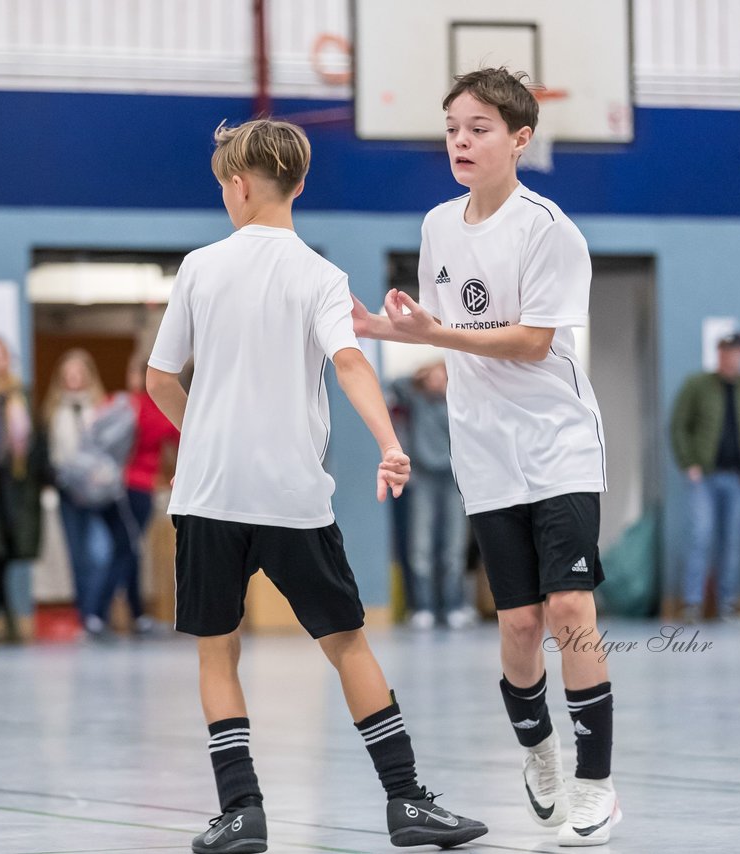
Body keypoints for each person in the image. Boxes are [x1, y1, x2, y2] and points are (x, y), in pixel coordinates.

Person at [146, 117, 486, 853]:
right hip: (293, 498)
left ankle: (242, 812)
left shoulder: (199, 267)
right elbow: (352, 364)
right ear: (298, 184)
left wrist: (202, 433)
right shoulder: (321, 276)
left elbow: (158, 378)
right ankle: (406, 802)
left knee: (217, 651)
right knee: (348, 646)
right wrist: (390, 443)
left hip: (208, 496)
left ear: (236, 187)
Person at [352, 68, 621, 845]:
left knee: (570, 608)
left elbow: (533, 341)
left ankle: (596, 781)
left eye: (478, 128)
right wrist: (387, 329)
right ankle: (539, 754)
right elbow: (442, 326)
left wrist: (437, 335)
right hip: (485, 449)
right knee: (517, 625)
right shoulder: (438, 224)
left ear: (520, 139)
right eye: (452, 129)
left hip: (558, 442)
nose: (461, 141)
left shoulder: (549, 229)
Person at [670, 331, 740, 623]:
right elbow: (679, 424)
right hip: (703, 477)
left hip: (738, 479)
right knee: (700, 535)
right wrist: (687, 461)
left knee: (731, 542)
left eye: (734, 353)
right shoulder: (697, 385)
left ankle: (727, 604)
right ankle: (693, 603)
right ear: (718, 355)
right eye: (724, 353)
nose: (729, 359)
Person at [45, 349, 137, 638]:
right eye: (68, 374)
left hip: (99, 493)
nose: (73, 379)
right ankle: (86, 617)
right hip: (67, 492)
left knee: (102, 553)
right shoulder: (52, 412)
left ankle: (98, 612)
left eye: (78, 373)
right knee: (77, 556)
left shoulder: (102, 408)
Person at [388, 361, 473, 630]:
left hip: (453, 479)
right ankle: (422, 607)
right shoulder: (416, 398)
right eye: (433, 377)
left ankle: (454, 606)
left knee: (454, 547)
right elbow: (392, 386)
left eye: (442, 377)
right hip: (423, 478)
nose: (437, 382)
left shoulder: (459, 398)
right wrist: (420, 374)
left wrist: (453, 377)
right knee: (420, 546)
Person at [115, 357, 181, 635]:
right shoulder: (157, 411)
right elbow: (182, 439)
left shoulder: (127, 406)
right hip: (139, 487)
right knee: (129, 549)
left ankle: (124, 611)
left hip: (124, 486)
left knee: (125, 550)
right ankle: (132, 611)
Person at [0, 336, 37, 643]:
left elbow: (28, 437)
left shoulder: (19, 393)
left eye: (1, 355)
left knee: (8, 546)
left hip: (12, 480)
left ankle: (5, 615)